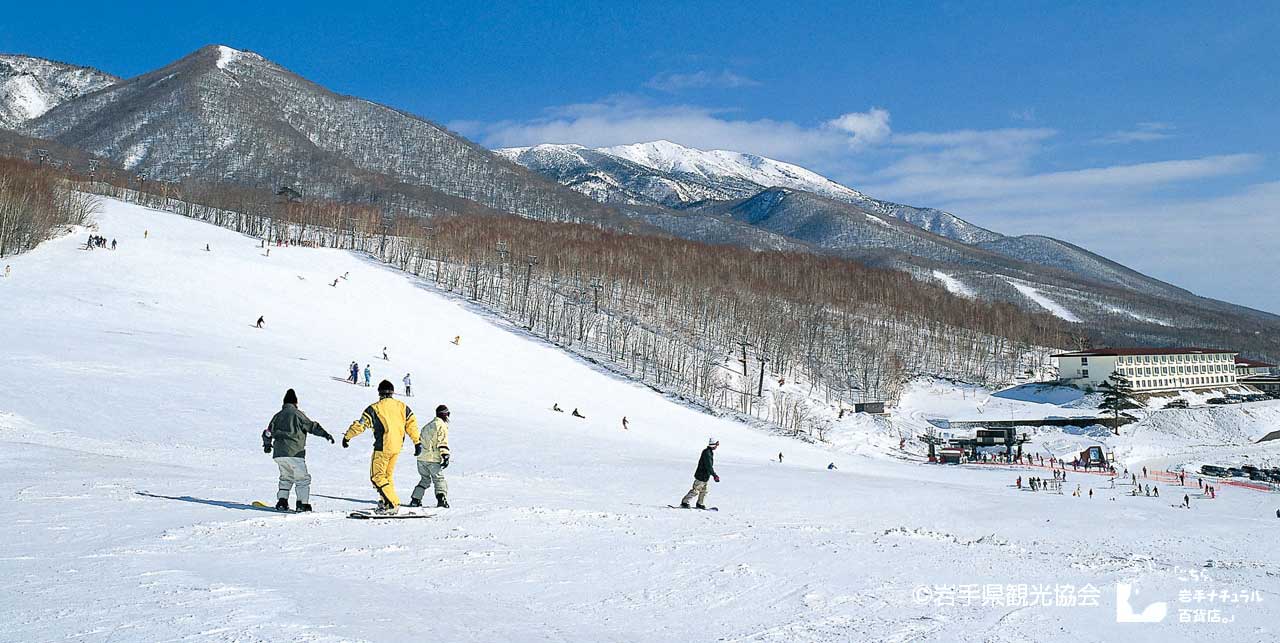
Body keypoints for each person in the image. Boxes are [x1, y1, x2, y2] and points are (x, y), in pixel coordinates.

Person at [343, 380, 421, 514]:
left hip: (383, 447)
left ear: (379, 392)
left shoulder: (374, 408)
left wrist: (347, 437)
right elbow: (411, 425)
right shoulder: (402, 406)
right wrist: (417, 442)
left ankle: (392, 504)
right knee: (387, 476)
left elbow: (361, 425)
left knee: (377, 477)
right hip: (397, 447)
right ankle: (387, 501)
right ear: (392, 392)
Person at [261, 389, 334, 512]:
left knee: (286, 477)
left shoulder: (277, 416)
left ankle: (282, 502)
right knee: (302, 479)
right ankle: (302, 504)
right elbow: (311, 426)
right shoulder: (297, 414)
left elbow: (267, 433)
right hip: (294, 452)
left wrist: (267, 445)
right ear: (296, 402)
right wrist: (325, 434)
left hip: (279, 454)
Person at [410, 405, 451, 508]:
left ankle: (415, 499)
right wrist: (445, 456)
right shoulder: (441, 426)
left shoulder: (427, 426)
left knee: (425, 479)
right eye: (448, 414)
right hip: (432, 459)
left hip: (421, 459)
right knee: (439, 479)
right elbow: (442, 442)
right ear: (444, 414)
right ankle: (441, 500)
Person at [679, 438, 720, 509]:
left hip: (705, 476)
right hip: (701, 475)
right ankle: (684, 502)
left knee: (704, 491)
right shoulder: (707, 453)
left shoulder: (709, 452)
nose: (717, 446)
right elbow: (709, 466)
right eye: (716, 444)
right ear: (713, 444)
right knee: (695, 491)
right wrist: (714, 475)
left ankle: (700, 503)